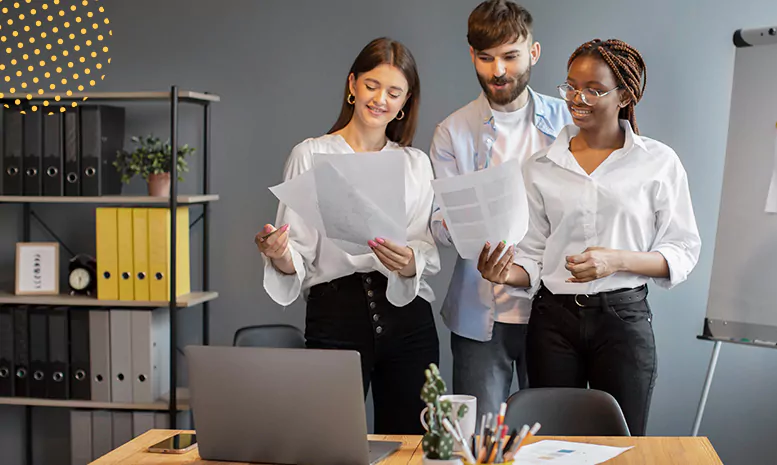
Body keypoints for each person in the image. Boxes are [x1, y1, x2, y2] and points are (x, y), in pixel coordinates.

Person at [476, 38, 701, 436]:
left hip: (623, 322)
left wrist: (616, 260)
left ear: (625, 94)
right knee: (548, 446)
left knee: (622, 447)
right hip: (552, 322)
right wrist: (503, 274)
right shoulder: (540, 166)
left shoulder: (658, 162)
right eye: (571, 87)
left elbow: (683, 250)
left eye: (593, 89)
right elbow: (532, 256)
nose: (577, 98)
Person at [255, 37, 440, 435]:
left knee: (412, 446)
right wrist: (278, 252)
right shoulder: (311, 154)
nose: (380, 100)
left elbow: (424, 246)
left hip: (408, 319)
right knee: (328, 441)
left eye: (394, 92)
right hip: (336, 316)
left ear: (405, 102)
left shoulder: (415, 164)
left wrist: (410, 261)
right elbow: (298, 256)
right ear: (352, 84)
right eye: (372, 85)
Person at [429, 0, 571, 420]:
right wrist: (462, 227)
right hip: (478, 315)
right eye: (486, 58)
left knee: (548, 440)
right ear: (472, 54)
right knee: (475, 440)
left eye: (511, 56)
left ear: (534, 52)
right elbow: (437, 221)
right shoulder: (452, 131)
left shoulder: (568, 122)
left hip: (555, 311)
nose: (498, 71)